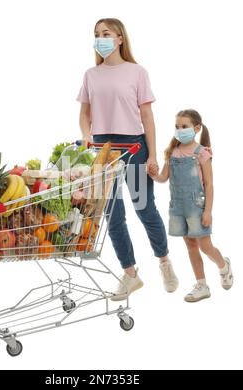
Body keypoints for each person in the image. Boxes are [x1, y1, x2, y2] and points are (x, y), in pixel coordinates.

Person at [76, 18, 178, 301]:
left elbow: (147, 117)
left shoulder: (137, 72)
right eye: (96, 35)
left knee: (144, 209)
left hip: (133, 147)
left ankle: (164, 261)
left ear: (120, 38)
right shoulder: (90, 75)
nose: (100, 39)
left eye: (105, 33)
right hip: (103, 151)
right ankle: (130, 274)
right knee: (112, 214)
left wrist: (153, 155)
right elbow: (85, 115)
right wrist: (87, 136)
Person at [151, 109, 233, 302]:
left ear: (196, 128)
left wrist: (208, 211)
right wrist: (153, 173)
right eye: (177, 126)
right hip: (178, 207)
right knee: (190, 245)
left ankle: (223, 266)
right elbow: (164, 177)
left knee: (205, 245)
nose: (180, 130)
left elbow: (209, 184)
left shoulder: (201, 153)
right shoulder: (172, 152)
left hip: (197, 206)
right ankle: (201, 285)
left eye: (184, 126)